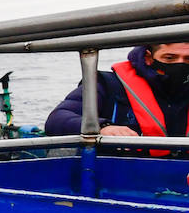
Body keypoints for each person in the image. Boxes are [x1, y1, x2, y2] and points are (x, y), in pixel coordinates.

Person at [44, 43, 189, 151]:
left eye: (188, 59)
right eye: (169, 58)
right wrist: (102, 128)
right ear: (148, 58)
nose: (180, 64)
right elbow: (57, 119)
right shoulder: (107, 84)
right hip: (119, 176)